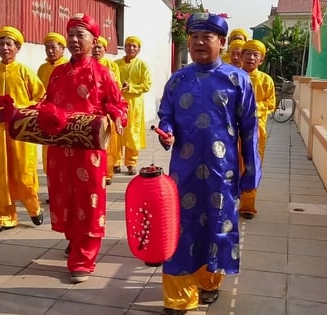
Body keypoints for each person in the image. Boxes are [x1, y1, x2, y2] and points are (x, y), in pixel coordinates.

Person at [156, 13, 261, 314]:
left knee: (217, 225)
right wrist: (167, 133)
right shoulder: (178, 80)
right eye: (194, 36)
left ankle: (209, 282)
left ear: (222, 42)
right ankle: (178, 297)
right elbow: (166, 115)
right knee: (181, 229)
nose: (199, 42)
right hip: (183, 172)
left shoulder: (236, 79)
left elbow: (249, 130)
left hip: (222, 172)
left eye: (207, 36)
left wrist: (250, 173)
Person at [43, 13, 127, 283]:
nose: (75, 40)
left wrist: (117, 117)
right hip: (59, 150)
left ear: (93, 40)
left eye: (81, 35)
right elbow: (46, 103)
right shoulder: (58, 73)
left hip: (88, 151)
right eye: (71, 35)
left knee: (88, 202)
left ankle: (84, 258)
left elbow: (118, 103)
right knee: (64, 198)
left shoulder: (102, 72)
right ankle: (74, 240)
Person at [0, 26, 46, 234]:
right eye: (1, 44)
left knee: (24, 173)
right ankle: (5, 217)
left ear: (18, 48)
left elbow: (40, 97)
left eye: (9, 44)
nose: (4, 48)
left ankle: (34, 207)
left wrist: (21, 110)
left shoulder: (25, 72)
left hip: (22, 130)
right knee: (1, 174)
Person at [238, 40, 275, 220]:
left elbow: (271, 104)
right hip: (232, 130)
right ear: (241, 56)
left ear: (261, 60)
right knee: (229, 165)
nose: (251, 58)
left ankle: (247, 205)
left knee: (251, 166)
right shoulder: (233, 76)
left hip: (255, 131)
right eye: (248, 53)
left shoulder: (266, 80)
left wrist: (252, 109)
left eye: (255, 55)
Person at [37, 32, 69, 202]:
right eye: (47, 47)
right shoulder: (42, 69)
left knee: (64, 157)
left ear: (63, 49)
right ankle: (53, 191)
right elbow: (37, 92)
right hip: (46, 117)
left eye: (53, 47)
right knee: (48, 157)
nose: (50, 50)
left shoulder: (67, 67)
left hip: (64, 118)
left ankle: (65, 191)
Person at [114, 36, 151, 175]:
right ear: (124, 47)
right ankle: (115, 162)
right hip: (117, 103)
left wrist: (131, 87)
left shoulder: (142, 65)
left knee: (132, 134)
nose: (131, 48)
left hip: (135, 105)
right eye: (128, 45)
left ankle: (131, 163)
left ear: (139, 49)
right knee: (116, 133)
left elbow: (146, 85)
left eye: (134, 46)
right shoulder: (116, 64)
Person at [91, 36, 122, 185]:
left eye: (99, 47)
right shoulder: (86, 65)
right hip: (90, 112)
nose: (96, 50)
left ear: (104, 49)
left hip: (107, 110)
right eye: (94, 47)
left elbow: (116, 88)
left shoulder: (110, 66)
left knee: (108, 144)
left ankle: (108, 173)